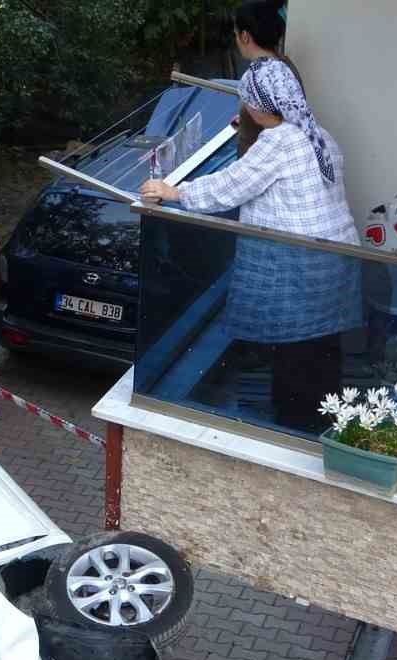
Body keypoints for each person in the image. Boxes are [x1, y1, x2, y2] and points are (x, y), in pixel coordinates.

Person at [140, 57, 361, 434]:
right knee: (322, 347)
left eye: (247, 101)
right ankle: (327, 418)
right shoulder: (314, 131)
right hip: (336, 260)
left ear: (258, 105)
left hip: (301, 263)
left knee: (295, 349)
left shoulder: (277, 142)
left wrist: (174, 191)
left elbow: (231, 186)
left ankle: (296, 428)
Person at [230, 1, 305, 155]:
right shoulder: (284, 68)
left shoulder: (257, 77)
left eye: (236, 34)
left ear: (245, 36)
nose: (235, 40)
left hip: (263, 168)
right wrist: (247, 120)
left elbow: (279, 129)